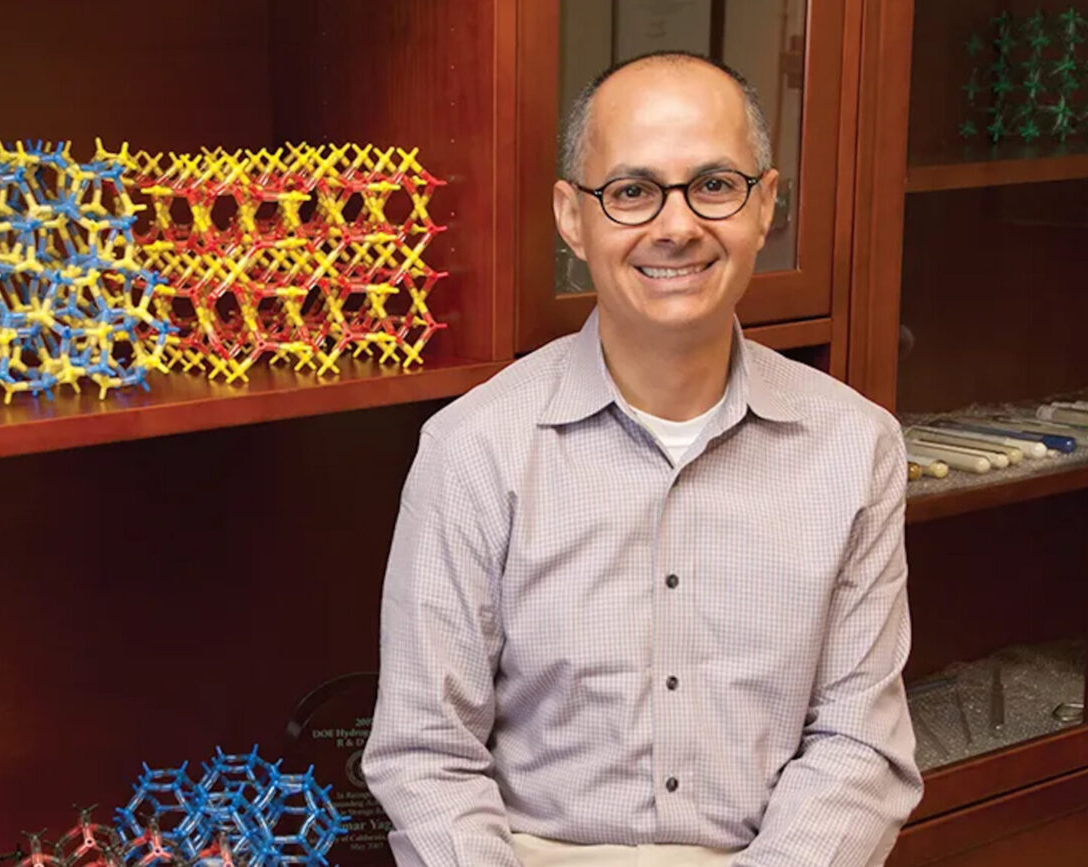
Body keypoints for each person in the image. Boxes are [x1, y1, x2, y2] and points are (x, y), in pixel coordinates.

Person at [363, 52, 921, 867]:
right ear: (571, 217)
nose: (677, 225)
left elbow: (858, 743)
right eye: (631, 192)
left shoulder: (854, 445)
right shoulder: (474, 448)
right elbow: (424, 751)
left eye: (715, 185)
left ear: (766, 204)